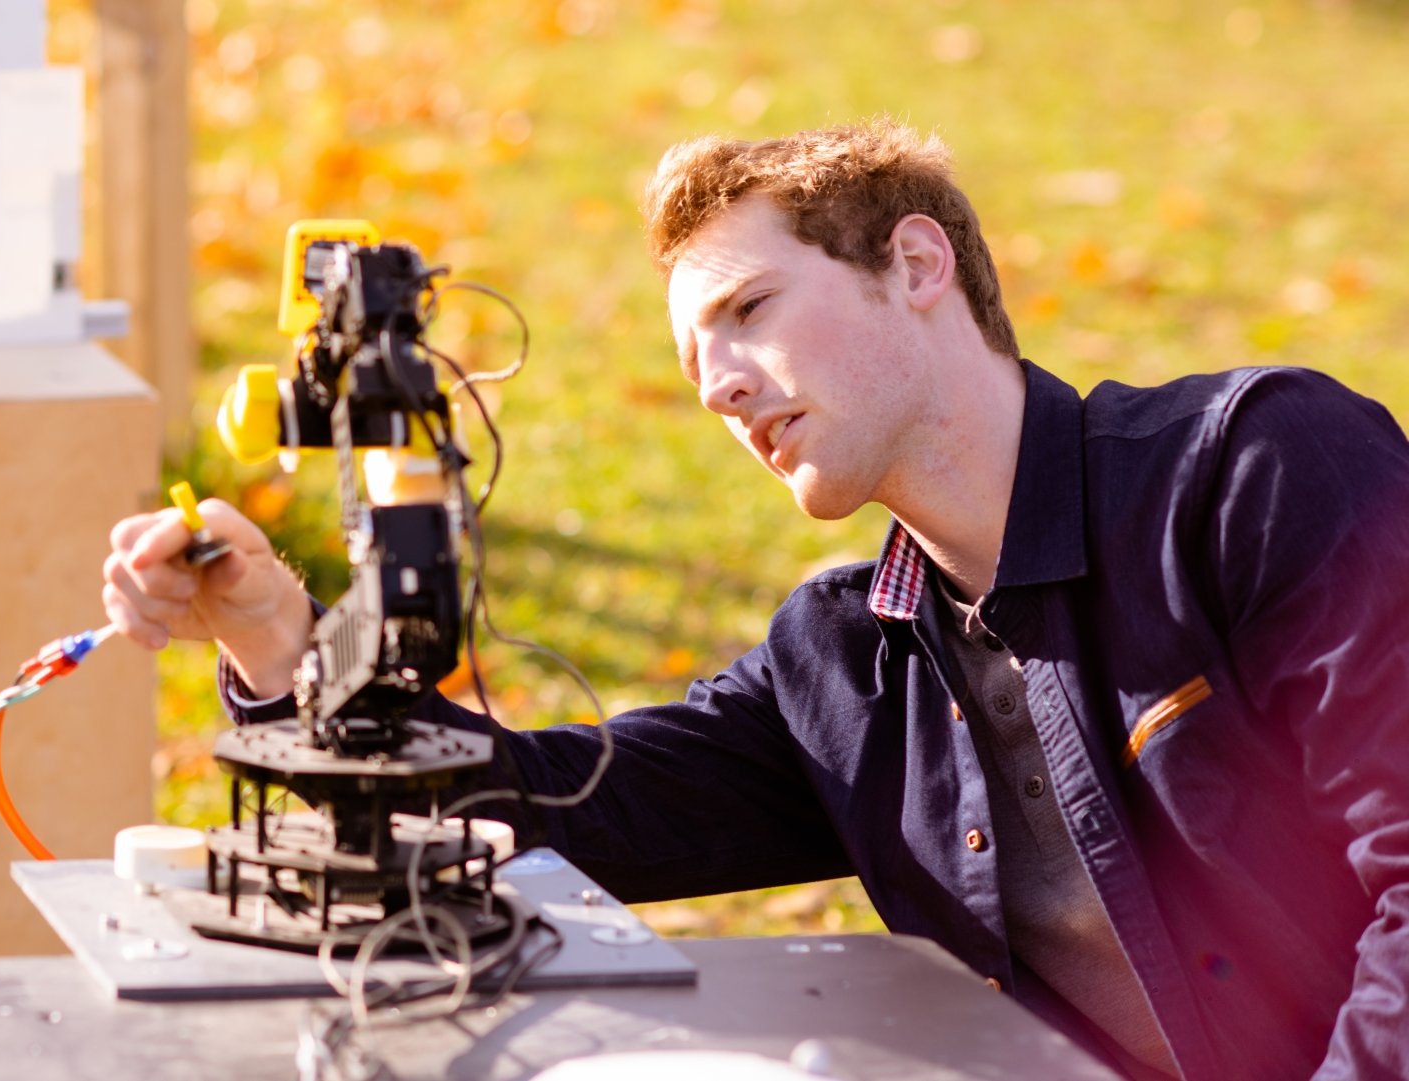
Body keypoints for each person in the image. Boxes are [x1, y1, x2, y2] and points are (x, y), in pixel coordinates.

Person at [100, 120, 1409, 1080]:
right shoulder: (842, 665)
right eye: (693, 360)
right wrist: (281, 638)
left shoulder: (1255, 474)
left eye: (751, 308)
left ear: (916, 265)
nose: (720, 385)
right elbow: (531, 810)